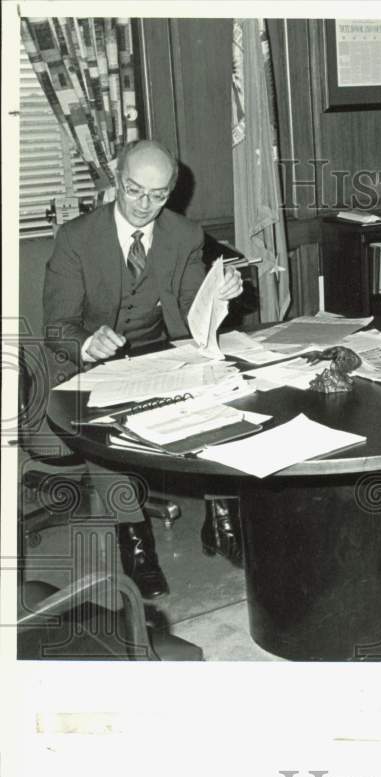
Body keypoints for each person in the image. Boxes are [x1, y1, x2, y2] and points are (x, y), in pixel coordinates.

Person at [43, 139, 244, 598]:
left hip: (160, 350)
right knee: (106, 430)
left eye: (157, 196)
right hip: (94, 360)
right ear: (118, 181)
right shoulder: (76, 238)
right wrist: (87, 343)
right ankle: (135, 540)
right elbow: (57, 324)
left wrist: (221, 292)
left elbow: (196, 311)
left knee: (223, 397)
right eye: (134, 191)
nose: (143, 205)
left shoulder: (184, 235)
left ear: (170, 193)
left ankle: (221, 517)